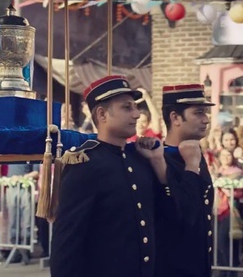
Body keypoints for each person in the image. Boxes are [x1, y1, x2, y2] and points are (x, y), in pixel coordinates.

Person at [50, 75, 173, 277]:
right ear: (102, 114)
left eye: (135, 107)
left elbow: (164, 215)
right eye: (127, 108)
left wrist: (158, 161)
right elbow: (67, 241)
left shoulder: (140, 158)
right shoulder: (85, 164)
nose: (136, 114)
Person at [154, 84, 215, 277]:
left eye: (206, 112)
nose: (206, 119)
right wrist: (190, 167)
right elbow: (185, 213)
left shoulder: (194, 151)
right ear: (175, 118)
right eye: (198, 113)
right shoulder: (156, 158)